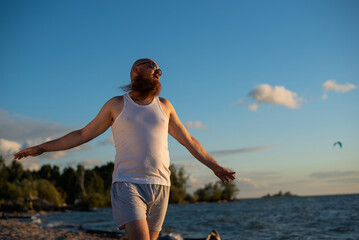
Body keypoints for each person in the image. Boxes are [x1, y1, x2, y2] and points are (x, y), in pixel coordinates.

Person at [14, 58, 236, 240]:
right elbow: (82, 134)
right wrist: (42, 148)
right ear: (136, 70)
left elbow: (189, 140)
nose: (159, 71)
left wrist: (214, 166)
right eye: (153, 66)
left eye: (160, 69)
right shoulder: (117, 104)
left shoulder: (165, 106)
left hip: (161, 185)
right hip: (127, 184)